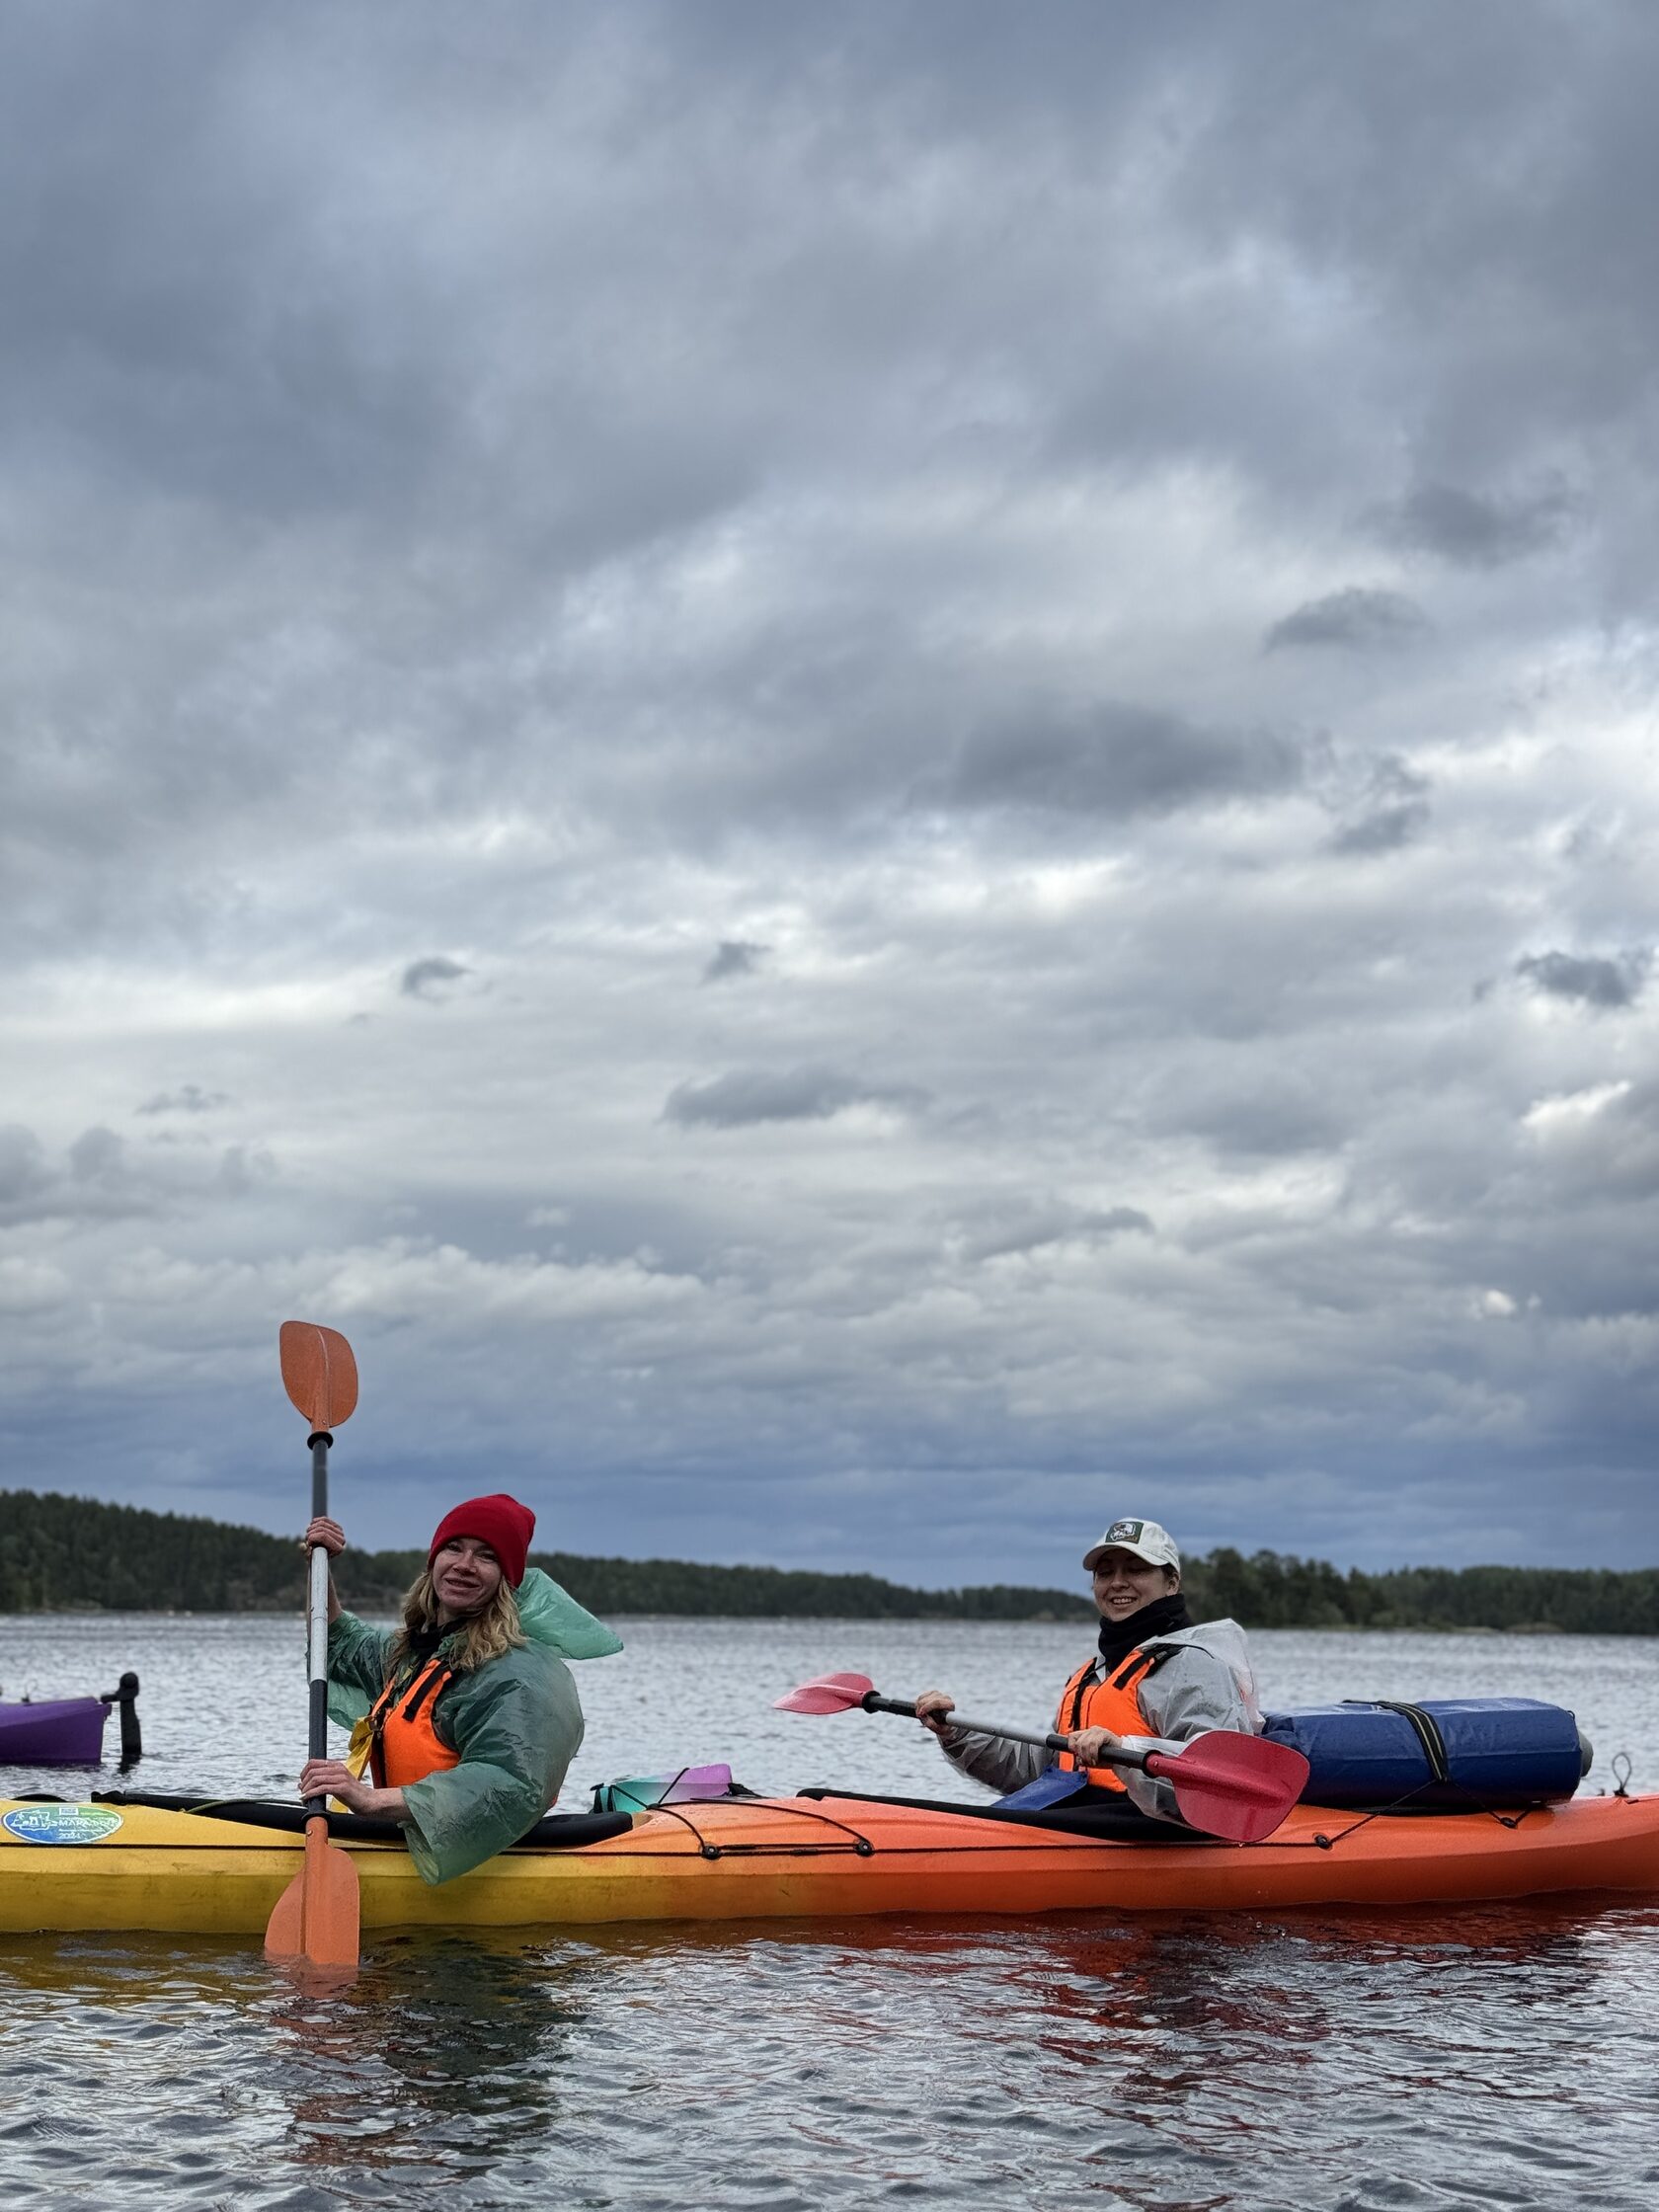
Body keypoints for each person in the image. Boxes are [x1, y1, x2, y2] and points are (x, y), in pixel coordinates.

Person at [295, 1491, 622, 1884]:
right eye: (454, 1548)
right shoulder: (416, 1653)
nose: (464, 1565)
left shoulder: (518, 1674)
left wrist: (368, 1800)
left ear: (507, 1578)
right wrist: (319, 1565)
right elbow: (338, 1645)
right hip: (410, 1839)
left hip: (485, 1859)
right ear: (434, 1561)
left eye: (486, 1556)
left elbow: (511, 1784)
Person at [915, 1516, 1261, 1823]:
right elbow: (1036, 1771)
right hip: (1083, 1815)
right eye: (1105, 1572)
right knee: (944, 1815)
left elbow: (1217, 1778)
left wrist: (1126, 1752)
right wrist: (954, 1731)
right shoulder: (1092, 1674)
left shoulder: (1194, 1665)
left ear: (1171, 1583)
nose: (1118, 1582)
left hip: (1145, 1828)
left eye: (1136, 1569)